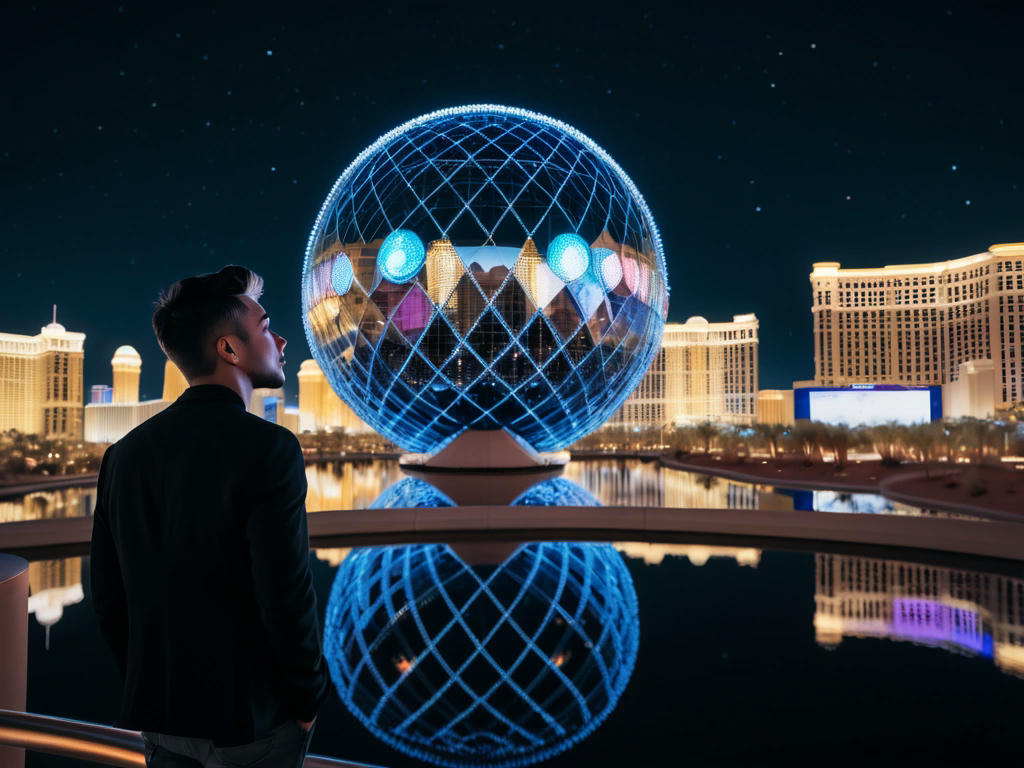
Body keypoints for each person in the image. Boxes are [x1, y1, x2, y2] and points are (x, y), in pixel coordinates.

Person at [90, 265, 330, 767]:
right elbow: (285, 596)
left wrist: (150, 692)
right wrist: (307, 700)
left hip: (160, 718)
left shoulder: (124, 455)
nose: (282, 339)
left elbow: (110, 598)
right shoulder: (270, 449)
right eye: (266, 326)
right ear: (229, 349)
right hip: (252, 723)